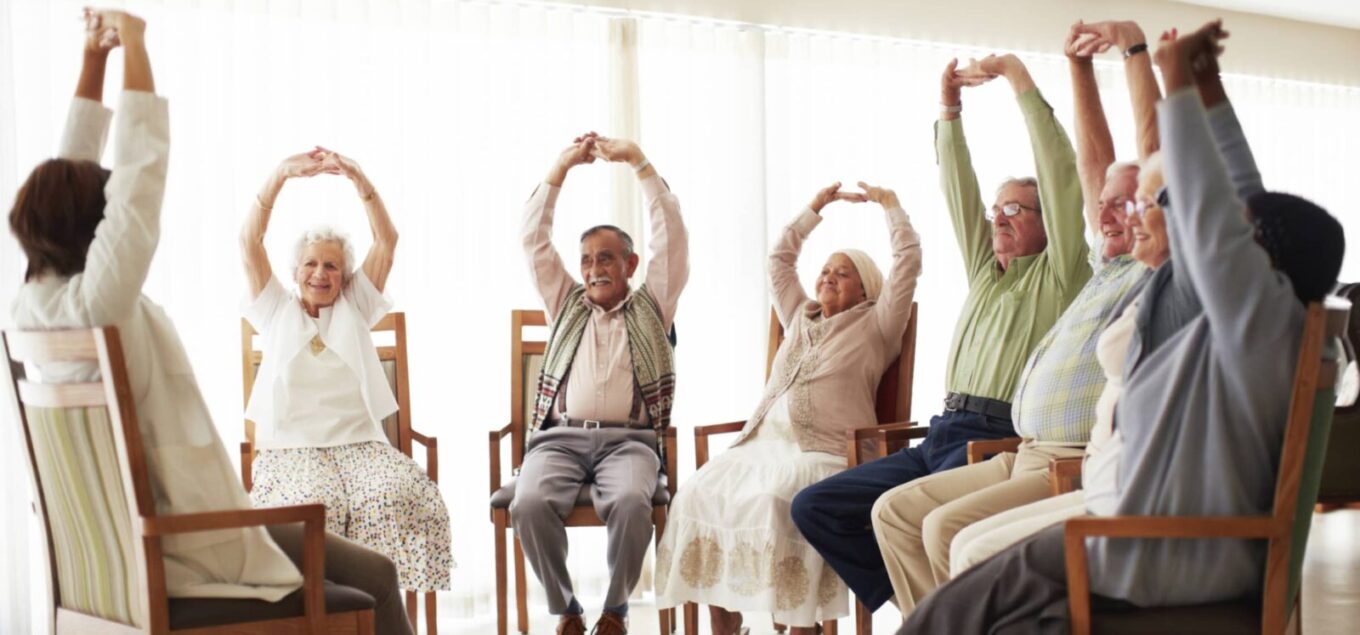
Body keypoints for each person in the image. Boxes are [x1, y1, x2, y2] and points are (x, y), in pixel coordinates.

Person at [903, 21, 1346, 634]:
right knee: (965, 607)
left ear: (1254, 261)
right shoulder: (1267, 320)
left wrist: (1177, 82)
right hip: (1137, 526)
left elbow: (1207, 200)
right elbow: (1238, 189)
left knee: (956, 611)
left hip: (1151, 544)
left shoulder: (1251, 316)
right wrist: (1204, 82)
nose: (1140, 214)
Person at [7, 10, 410, 634]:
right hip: (194, 546)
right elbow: (138, 179)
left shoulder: (36, 304)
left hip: (121, 561)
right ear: (95, 228)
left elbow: (67, 182)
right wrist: (134, 43)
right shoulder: (103, 302)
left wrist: (93, 57)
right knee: (375, 577)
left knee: (363, 564)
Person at [866, 19, 1159, 616]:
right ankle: (938, 623)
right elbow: (1093, 175)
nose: (1105, 214)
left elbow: (1108, 171)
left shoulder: (1121, 269)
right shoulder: (1098, 269)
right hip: (1017, 445)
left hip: (1058, 454)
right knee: (892, 512)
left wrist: (1128, 52)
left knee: (948, 532)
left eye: (1127, 205)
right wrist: (1077, 69)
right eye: (1102, 205)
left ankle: (957, 622)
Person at [791, 52, 1091, 615]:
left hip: (996, 440)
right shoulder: (986, 271)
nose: (999, 217)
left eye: (1016, 209)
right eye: (996, 209)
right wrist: (949, 109)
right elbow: (959, 191)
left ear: (1049, 220)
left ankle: (936, 615)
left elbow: (1059, 171)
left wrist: (1017, 80)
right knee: (815, 507)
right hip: (941, 432)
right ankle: (927, 612)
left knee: (921, 520)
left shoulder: (1061, 274)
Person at [656, 181, 922, 634]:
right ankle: (726, 621)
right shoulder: (799, 314)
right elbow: (779, 260)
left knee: (774, 501)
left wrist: (890, 206)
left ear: (866, 289)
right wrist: (815, 207)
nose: (828, 277)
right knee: (697, 493)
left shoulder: (878, 324)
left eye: (842, 273)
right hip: (759, 445)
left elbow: (908, 263)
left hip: (828, 452)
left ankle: (801, 625)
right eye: (825, 270)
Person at [240, 147, 452, 600]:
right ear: (295, 271)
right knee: (315, 509)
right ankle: (324, 613)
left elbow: (387, 241)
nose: (320, 273)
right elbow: (248, 241)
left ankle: (375, 609)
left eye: (331, 265)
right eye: (311, 264)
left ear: (344, 275)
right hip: (292, 450)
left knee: (393, 497)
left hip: (360, 446)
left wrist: (359, 179)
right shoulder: (274, 308)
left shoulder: (356, 305)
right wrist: (280, 174)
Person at [512, 132, 688, 635]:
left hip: (629, 443)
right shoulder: (565, 301)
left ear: (630, 265)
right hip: (560, 440)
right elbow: (533, 239)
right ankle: (567, 610)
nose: (594, 269)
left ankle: (615, 612)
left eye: (606, 258)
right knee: (528, 504)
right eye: (587, 260)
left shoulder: (654, 303)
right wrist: (561, 166)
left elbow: (671, 236)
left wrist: (638, 162)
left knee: (633, 504)